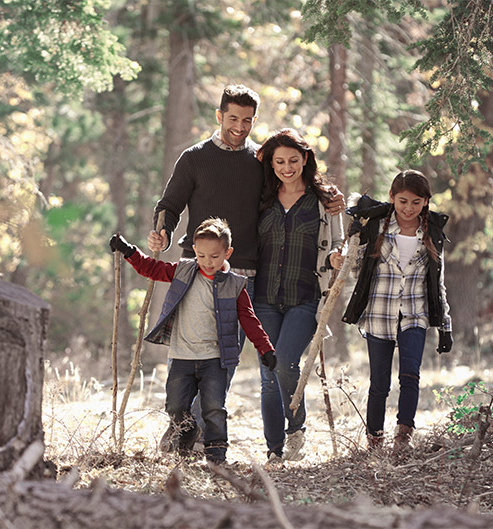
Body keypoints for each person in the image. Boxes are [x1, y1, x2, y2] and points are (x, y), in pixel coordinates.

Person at [147, 84, 345, 440]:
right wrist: (161, 231)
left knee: (226, 359)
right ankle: (182, 426)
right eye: (233, 118)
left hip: (245, 276)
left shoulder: (259, 161)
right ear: (219, 115)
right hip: (196, 271)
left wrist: (330, 196)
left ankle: (193, 432)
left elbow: (295, 184)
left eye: (248, 120)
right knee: (192, 353)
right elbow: (169, 205)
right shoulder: (194, 157)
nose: (239, 126)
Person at [109, 217, 276, 465]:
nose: (208, 263)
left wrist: (265, 348)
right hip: (181, 357)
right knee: (175, 406)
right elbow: (151, 269)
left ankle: (216, 455)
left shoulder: (234, 285)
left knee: (214, 409)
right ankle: (186, 432)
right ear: (194, 251)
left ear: (227, 253)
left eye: (215, 257)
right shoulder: (183, 271)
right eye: (202, 256)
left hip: (215, 360)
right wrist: (129, 251)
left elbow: (249, 319)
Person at [342, 169, 453, 456]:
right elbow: (356, 270)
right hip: (379, 313)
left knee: (410, 376)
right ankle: (375, 439)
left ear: (426, 201)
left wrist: (445, 325)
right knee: (379, 383)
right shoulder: (377, 227)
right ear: (392, 198)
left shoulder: (432, 233)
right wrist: (355, 241)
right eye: (403, 201)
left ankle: (404, 436)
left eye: (416, 202)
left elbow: (437, 281)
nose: (408, 208)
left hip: (415, 314)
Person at [253, 128, 344, 463]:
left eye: (293, 159)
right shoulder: (261, 197)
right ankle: (274, 450)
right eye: (280, 161)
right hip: (263, 298)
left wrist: (337, 256)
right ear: (272, 164)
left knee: (286, 362)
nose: (287, 167)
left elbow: (339, 242)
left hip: (305, 297)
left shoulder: (324, 201)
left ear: (305, 159)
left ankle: (296, 429)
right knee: (267, 374)